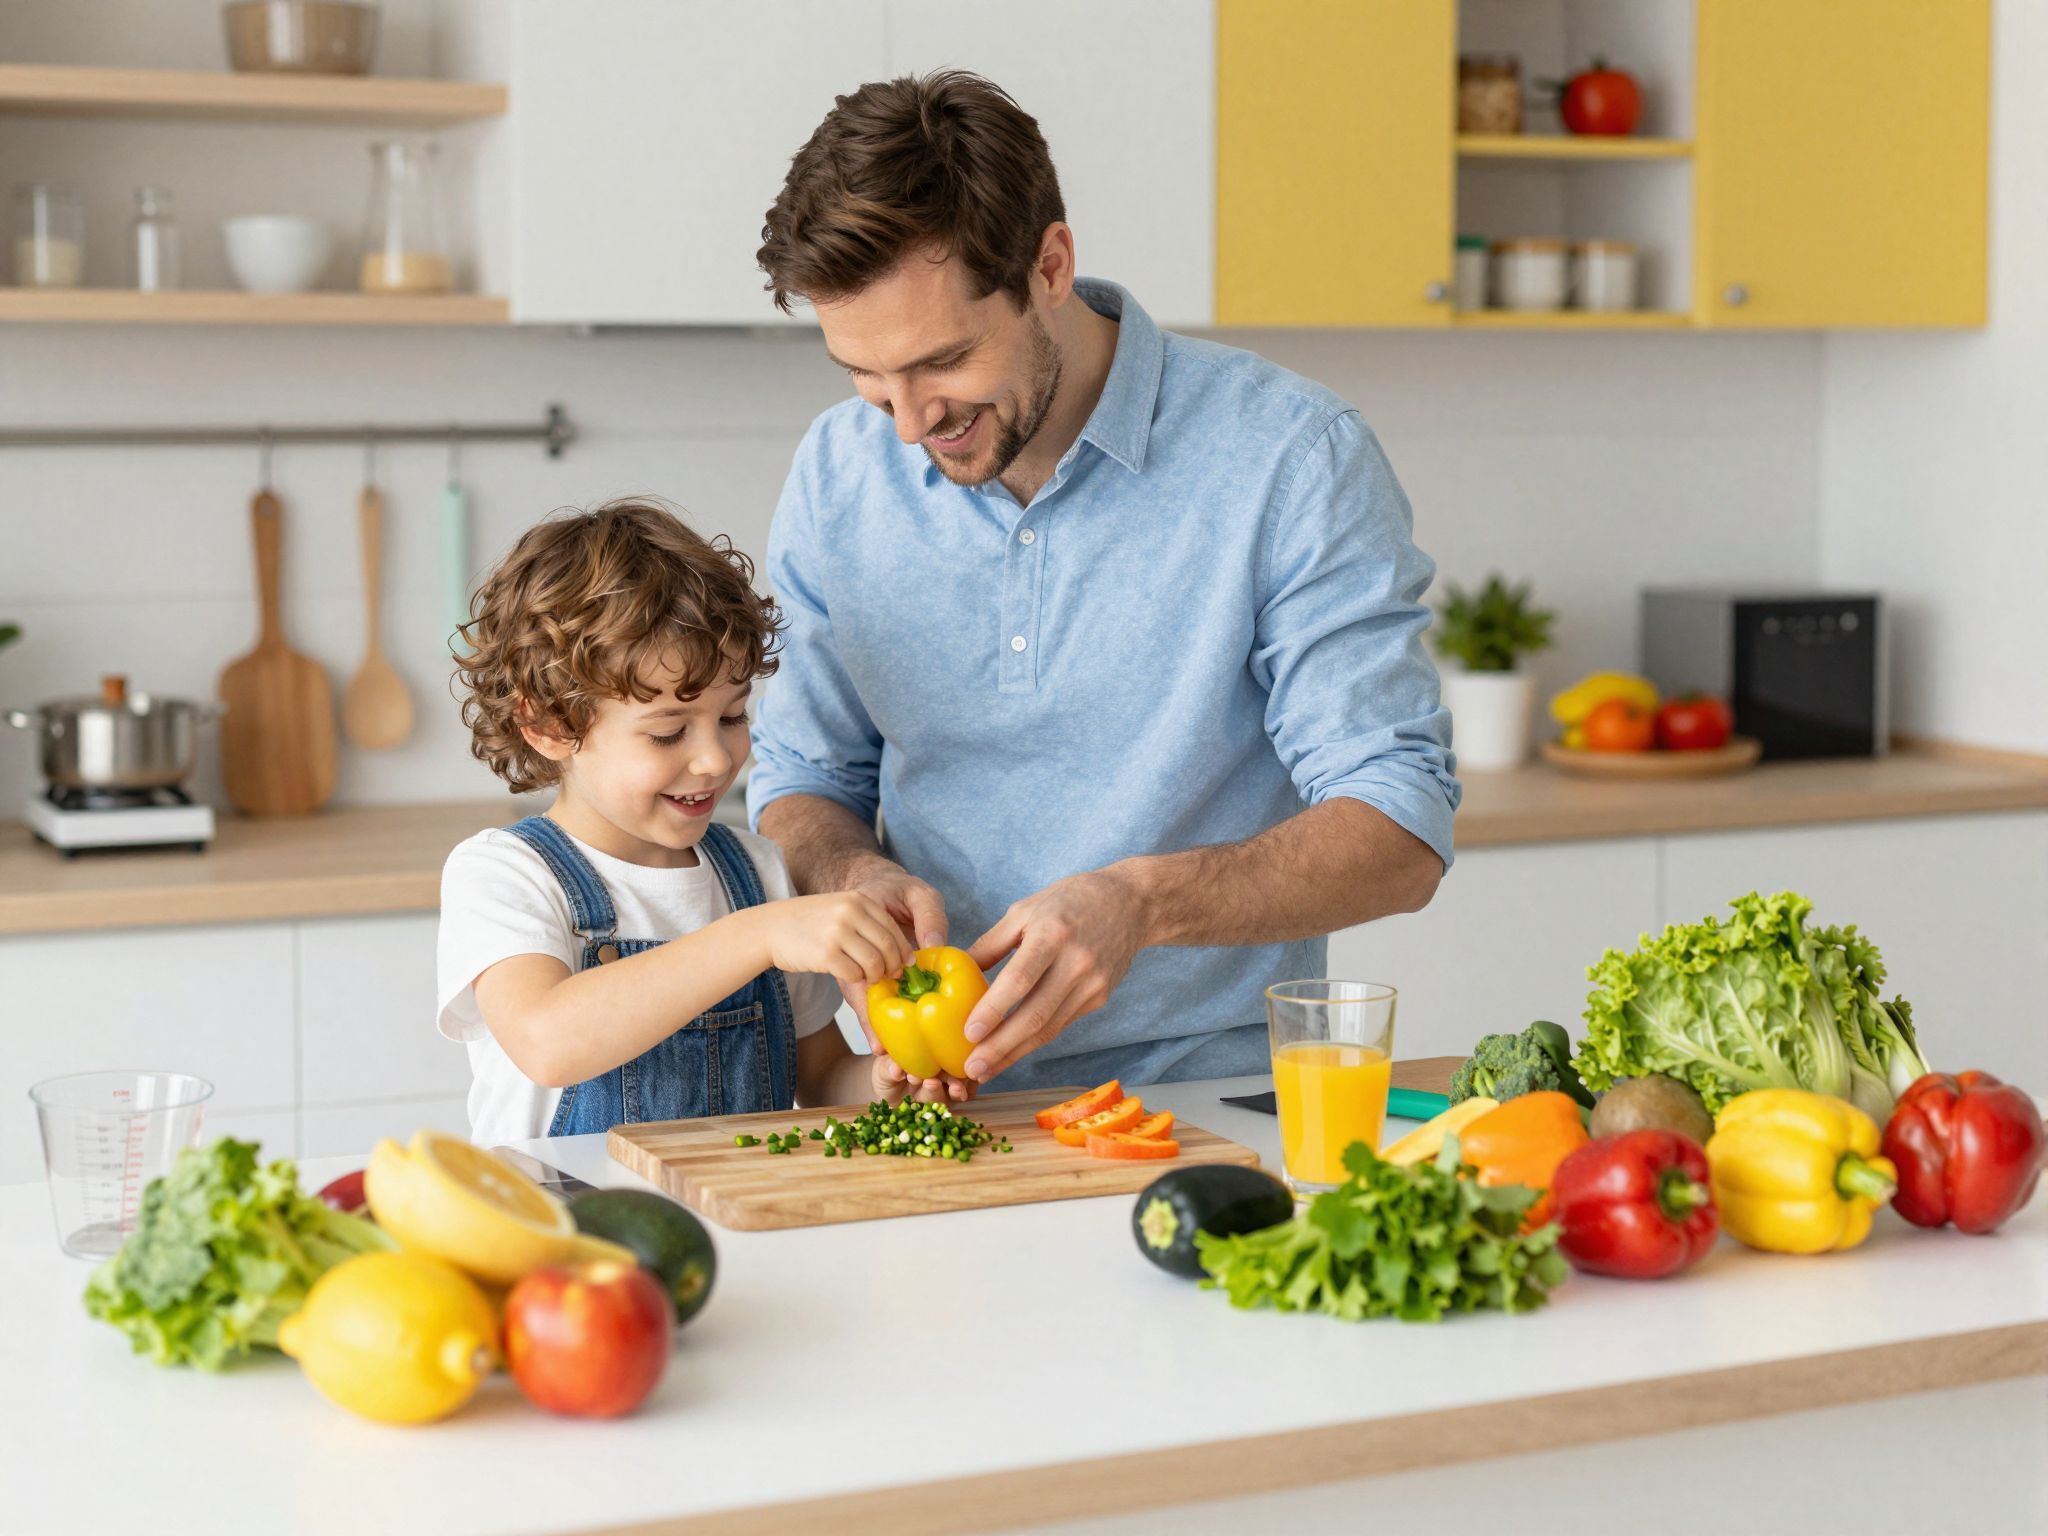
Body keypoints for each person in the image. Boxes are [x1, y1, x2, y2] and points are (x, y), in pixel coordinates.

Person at [747, 71, 1460, 1096]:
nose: (907, 424)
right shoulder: (837, 468)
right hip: (923, 1091)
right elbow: (802, 781)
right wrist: (855, 878)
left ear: (1049, 264)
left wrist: (1140, 903)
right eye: (864, 375)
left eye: (942, 360)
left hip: (1205, 1100)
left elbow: (1398, 827)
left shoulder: (1288, 456)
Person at [436, 499, 921, 1147]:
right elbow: (549, 1041)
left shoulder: (757, 872)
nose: (716, 759)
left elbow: (822, 1076)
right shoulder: (504, 874)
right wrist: (757, 936)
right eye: (668, 733)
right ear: (550, 726)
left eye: (732, 717)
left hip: (740, 1225)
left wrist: (885, 1082)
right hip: (572, 1237)